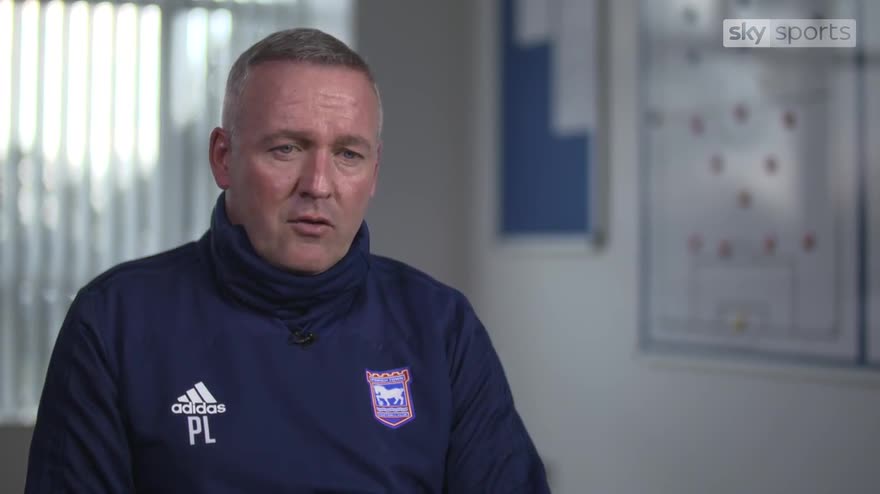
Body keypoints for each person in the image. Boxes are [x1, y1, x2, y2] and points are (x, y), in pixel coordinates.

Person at [24, 28, 550, 493]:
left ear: (374, 172)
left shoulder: (440, 327)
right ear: (223, 158)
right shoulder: (116, 321)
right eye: (286, 149)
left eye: (348, 154)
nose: (318, 184)